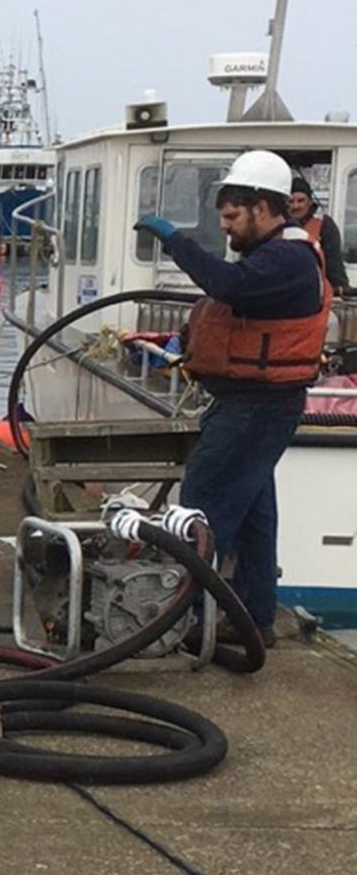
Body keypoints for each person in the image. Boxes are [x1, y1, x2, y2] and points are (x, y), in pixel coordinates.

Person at [135, 150, 331, 649]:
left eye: (232, 217)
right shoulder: (274, 256)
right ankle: (253, 619)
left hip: (256, 407)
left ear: (264, 208)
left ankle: (183, 622)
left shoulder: (287, 258)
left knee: (201, 508)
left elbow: (226, 284)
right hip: (254, 403)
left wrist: (175, 240)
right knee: (253, 517)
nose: (226, 229)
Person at [288, 174, 349, 295]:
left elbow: (334, 263)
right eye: (291, 201)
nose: (296, 206)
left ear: (310, 202)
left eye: (301, 201)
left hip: (316, 294)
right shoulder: (277, 224)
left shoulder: (325, 225)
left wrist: (340, 289)